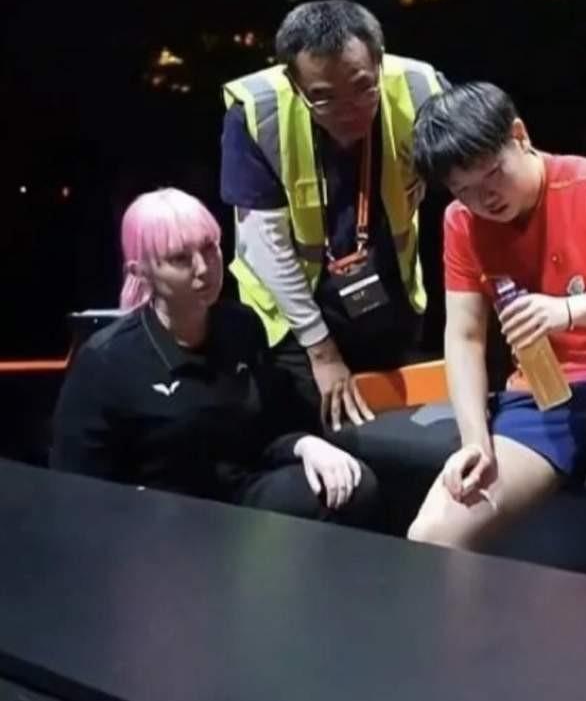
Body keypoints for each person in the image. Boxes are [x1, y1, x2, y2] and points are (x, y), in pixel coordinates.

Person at [405, 82, 586, 548]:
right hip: (541, 400)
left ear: (519, 135)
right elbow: (466, 337)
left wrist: (567, 311)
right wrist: (475, 440)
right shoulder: (461, 223)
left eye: (492, 174)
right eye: (464, 190)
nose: (484, 199)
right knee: (431, 535)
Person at [50, 188, 380, 527]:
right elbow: (76, 487)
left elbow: (271, 429)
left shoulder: (241, 326)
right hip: (159, 521)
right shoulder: (106, 360)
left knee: (354, 485)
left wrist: (305, 445)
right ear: (141, 271)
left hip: (239, 499)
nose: (203, 268)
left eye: (209, 248)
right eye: (180, 258)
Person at [219, 0, 448, 431]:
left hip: (386, 297)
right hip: (294, 316)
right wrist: (321, 351)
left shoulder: (421, 89)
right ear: (294, 82)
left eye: (363, 88)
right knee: (330, 436)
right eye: (324, 98)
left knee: (397, 434)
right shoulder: (257, 113)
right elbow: (266, 244)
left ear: (379, 62)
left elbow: (476, 183)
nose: (348, 111)